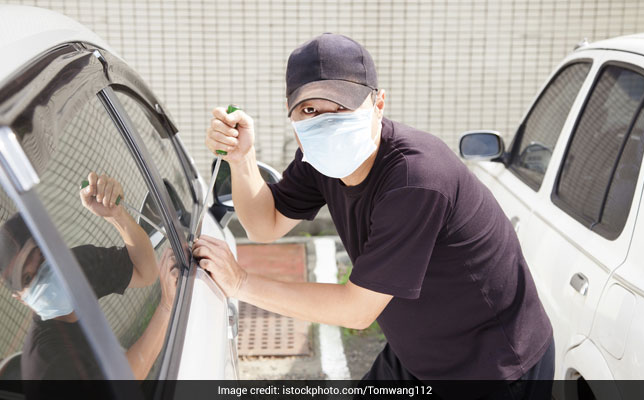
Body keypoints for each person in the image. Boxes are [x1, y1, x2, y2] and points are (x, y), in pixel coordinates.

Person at [194, 33, 554, 399]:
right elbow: (264, 224)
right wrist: (241, 159)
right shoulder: (319, 160)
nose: (326, 123)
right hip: (416, 353)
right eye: (309, 111)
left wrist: (241, 283)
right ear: (291, 115)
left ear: (379, 104)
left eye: (341, 106)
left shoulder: (416, 180)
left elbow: (356, 310)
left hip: (490, 369)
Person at [0, 172, 178, 381]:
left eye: (41, 255)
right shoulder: (45, 364)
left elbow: (145, 272)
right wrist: (166, 308)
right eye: (28, 278)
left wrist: (116, 215)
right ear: (20, 297)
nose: (43, 274)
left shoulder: (79, 268)